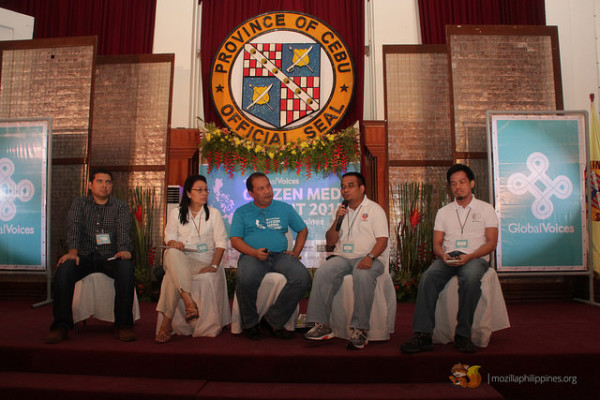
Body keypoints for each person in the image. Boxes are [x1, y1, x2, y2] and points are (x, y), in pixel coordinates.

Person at [401, 164, 498, 354]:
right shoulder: (443, 212)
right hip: (449, 256)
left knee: (470, 278)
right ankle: (423, 334)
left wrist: (470, 256)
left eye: (462, 182)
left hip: (475, 256)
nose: (458, 187)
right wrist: (442, 254)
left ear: (472, 184)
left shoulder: (486, 209)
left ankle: (463, 335)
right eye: (453, 184)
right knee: (428, 278)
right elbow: (437, 243)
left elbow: (491, 243)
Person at [45, 169, 135, 343]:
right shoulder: (80, 204)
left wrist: (124, 250)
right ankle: (60, 326)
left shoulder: (120, 206)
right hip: (84, 256)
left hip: (110, 257)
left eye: (108, 182)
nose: (104, 185)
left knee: (126, 268)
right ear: (90, 185)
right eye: (100, 181)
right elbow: (74, 228)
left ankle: (123, 325)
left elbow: (124, 231)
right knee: (64, 270)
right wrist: (72, 252)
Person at [304, 172, 389, 350]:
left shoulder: (374, 210)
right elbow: (331, 241)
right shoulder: (341, 210)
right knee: (323, 272)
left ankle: (360, 329)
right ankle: (322, 325)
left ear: (362, 188)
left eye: (350, 186)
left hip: (369, 256)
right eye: (343, 186)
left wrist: (370, 257)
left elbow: (382, 240)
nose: (345, 190)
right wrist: (337, 219)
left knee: (362, 275)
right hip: (342, 257)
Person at [230, 172, 311, 340]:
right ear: (251, 193)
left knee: (303, 278)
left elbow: (303, 230)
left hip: (280, 256)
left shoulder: (284, 208)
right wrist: (253, 252)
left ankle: (274, 320)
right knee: (246, 279)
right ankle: (250, 324)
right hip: (252, 255)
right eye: (261, 188)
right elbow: (235, 240)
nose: (267, 191)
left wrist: (295, 252)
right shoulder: (241, 212)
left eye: (268, 186)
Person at [155, 175, 229, 343]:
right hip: (181, 259)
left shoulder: (214, 214)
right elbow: (169, 238)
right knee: (172, 253)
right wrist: (174, 243)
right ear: (188, 193)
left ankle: (166, 322)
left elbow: (221, 243)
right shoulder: (176, 213)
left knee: (169, 278)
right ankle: (188, 300)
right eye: (199, 190)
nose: (204, 193)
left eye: (206, 190)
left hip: (203, 260)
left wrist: (214, 264)